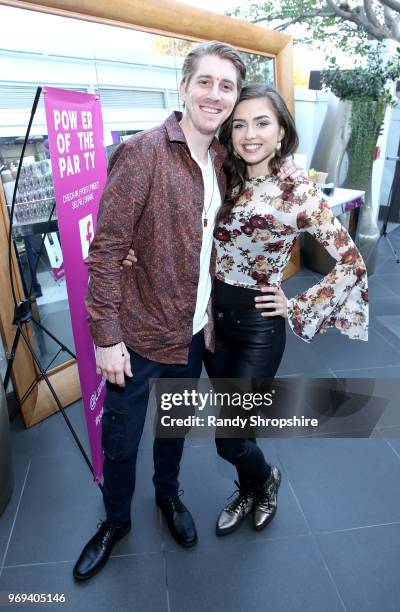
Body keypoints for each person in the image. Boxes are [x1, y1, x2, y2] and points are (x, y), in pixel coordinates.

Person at [73, 42, 301, 582]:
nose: (215, 95)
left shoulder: (226, 162)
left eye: (226, 86)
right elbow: (105, 252)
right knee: (123, 439)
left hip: (197, 333)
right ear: (184, 87)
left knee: (173, 428)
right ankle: (115, 522)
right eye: (206, 82)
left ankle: (169, 498)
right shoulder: (143, 153)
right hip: (139, 333)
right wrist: (106, 338)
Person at [201, 83, 368, 536]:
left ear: (281, 132)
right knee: (238, 422)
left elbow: (351, 261)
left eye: (261, 123)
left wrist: (294, 304)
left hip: (259, 325)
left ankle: (266, 478)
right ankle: (250, 487)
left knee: (228, 437)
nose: (249, 134)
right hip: (214, 321)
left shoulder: (299, 191)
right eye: (239, 124)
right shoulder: (226, 176)